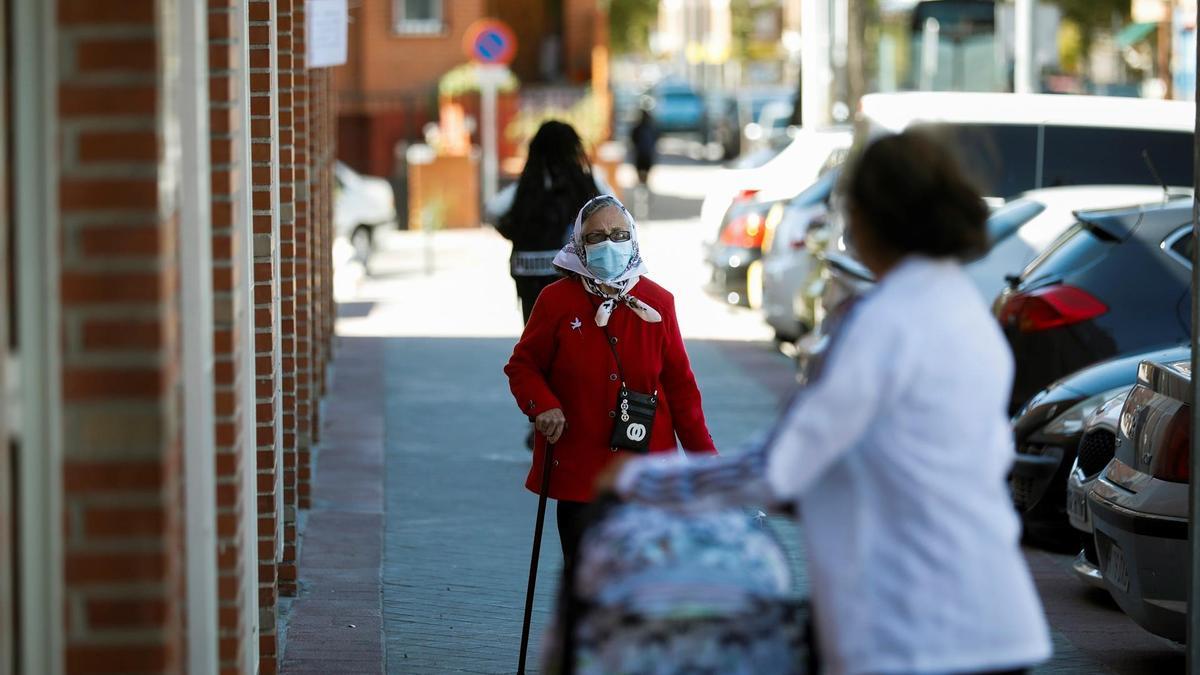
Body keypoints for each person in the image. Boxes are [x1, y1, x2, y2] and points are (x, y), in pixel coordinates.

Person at [599, 129, 1052, 675]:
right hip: (996, 621)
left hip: (914, 633)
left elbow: (780, 466)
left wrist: (637, 480)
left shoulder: (885, 320)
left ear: (869, 216)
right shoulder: (963, 307)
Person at [504, 194, 716, 564]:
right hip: (580, 474)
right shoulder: (556, 301)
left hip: (647, 474)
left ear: (633, 238)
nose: (609, 244)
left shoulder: (658, 303)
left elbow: (682, 393)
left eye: (619, 234)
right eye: (596, 236)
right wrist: (544, 406)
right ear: (578, 245)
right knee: (585, 584)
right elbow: (523, 365)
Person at [488, 120, 610, 324]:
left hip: (528, 271)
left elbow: (493, 210)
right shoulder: (585, 182)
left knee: (535, 333)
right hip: (573, 272)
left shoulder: (528, 184)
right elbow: (612, 206)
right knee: (573, 332)